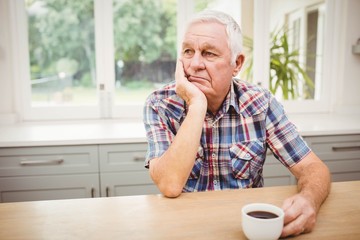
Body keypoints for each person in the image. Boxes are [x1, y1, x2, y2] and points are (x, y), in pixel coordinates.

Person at [143, 10, 331, 238]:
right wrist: (197, 105)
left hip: (245, 230)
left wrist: (309, 199)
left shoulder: (260, 103)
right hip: (184, 228)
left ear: (237, 63)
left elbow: (313, 168)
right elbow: (169, 184)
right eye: (188, 51)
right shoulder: (160, 104)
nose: (194, 64)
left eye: (209, 53)